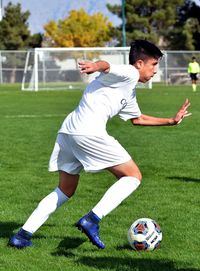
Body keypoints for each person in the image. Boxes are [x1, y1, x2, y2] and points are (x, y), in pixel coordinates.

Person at [8, 40, 191, 250]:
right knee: (133, 176)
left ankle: (22, 235)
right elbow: (106, 66)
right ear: (140, 63)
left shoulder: (128, 90)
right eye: (153, 65)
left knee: (65, 190)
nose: (155, 71)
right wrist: (96, 65)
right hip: (88, 131)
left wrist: (171, 120)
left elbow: (137, 119)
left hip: (69, 131)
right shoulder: (130, 73)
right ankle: (92, 219)